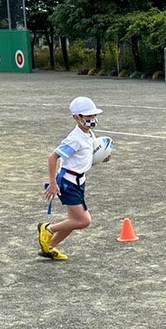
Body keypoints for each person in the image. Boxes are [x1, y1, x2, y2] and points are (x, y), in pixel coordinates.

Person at [38, 96, 103, 262]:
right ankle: (48, 229)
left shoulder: (89, 134)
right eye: (87, 116)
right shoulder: (74, 139)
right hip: (68, 183)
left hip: (79, 182)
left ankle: (49, 247)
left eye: (93, 115)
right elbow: (53, 157)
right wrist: (53, 183)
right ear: (76, 117)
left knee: (74, 221)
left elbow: (91, 154)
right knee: (83, 221)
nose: (92, 119)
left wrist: (104, 156)